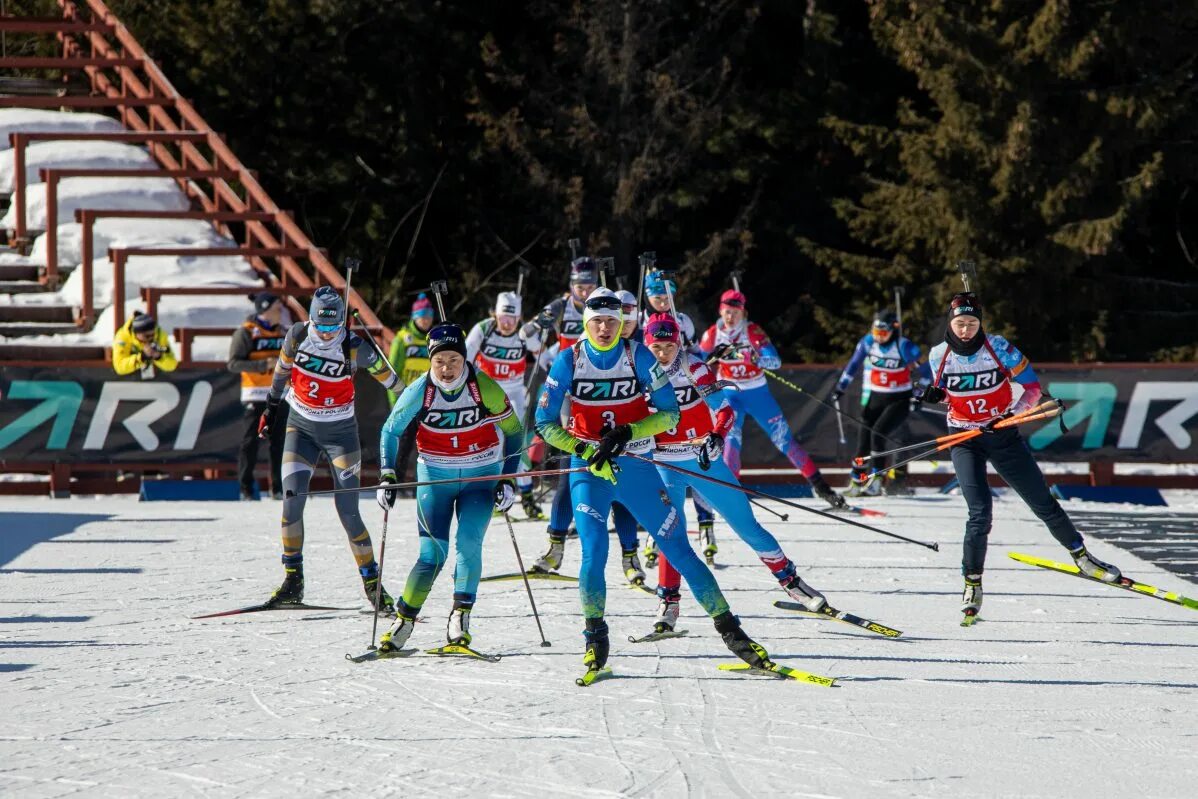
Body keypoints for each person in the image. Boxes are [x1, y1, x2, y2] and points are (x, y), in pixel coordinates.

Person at [535, 287, 774, 678]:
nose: (605, 327)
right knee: (594, 553)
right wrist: (582, 447)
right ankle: (594, 636)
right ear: (586, 323)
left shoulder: (638, 355)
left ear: (622, 322)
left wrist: (627, 433)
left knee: (679, 549)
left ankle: (733, 632)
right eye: (597, 320)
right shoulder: (569, 360)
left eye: (612, 320)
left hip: (637, 467)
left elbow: (671, 415)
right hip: (590, 471)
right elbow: (543, 424)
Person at [923, 291, 1122, 621]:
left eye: (972, 323)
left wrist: (1010, 415)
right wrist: (935, 395)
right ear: (951, 322)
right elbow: (947, 394)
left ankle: (1082, 557)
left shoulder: (999, 348)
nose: (966, 330)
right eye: (960, 323)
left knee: (1042, 501)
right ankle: (972, 582)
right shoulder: (938, 356)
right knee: (979, 513)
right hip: (964, 438)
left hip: (1002, 435)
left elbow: (1032, 389)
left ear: (980, 323)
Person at [642, 313, 828, 634]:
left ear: (679, 343)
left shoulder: (693, 367)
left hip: (702, 459)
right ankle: (668, 602)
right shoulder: (638, 373)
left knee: (746, 525)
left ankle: (792, 583)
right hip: (663, 464)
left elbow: (724, 409)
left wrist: (716, 436)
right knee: (669, 535)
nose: (662, 353)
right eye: (656, 347)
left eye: (669, 346)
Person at [375, 322, 524, 653]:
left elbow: (515, 432)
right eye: (439, 361)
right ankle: (404, 620)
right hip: (435, 477)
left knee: (469, 544)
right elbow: (390, 431)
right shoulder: (419, 391)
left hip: (480, 476)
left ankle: (460, 616)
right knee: (431, 556)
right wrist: (387, 474)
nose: (446, 369)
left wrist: (508, 478)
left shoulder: (484, 387)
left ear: (465, 359)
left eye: (454, 361)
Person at [257, 287, 402, 610]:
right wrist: (270, 407)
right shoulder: (297, 336)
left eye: (332, 328)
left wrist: (417, 406)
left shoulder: (354, 348)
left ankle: (372, 584)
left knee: (348, 511)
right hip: (301, 428)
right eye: (320, 327)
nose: (326, 334)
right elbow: (281, 371)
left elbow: (393, 383)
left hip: (341, 435)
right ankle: (293, 580)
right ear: (310, 319)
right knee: (291, 500)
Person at [698, 289, 846, 510]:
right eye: (727, 312)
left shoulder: (752, 332)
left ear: (743, 314)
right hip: (729, 392)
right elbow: (699, 361)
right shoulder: (712, 335)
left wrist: (754, 358)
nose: (731, 318)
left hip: (756, 393)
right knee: (730, 440)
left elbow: (774, 361)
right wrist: (709, 362)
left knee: (784, 440)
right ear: (720, 311)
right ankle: (731, 495)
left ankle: (823, 489)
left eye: (735, 313)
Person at [522, 257, 599, 574]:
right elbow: (525, 335)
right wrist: (542, 333)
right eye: (580, 285)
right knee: (568, 458)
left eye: (589, 285)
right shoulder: (561, 305)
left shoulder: (602, 305)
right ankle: (556, 543)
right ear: (571, 285)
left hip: (602, 386)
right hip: (569, 387)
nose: (585, 290)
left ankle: (630, 550)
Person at [830, 308, 931, 497]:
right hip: (876, 397)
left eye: (883, 333)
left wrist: (919, 394)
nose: (879, 337)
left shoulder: (904, 347)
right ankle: (857, 481)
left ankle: (876, 481)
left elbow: (927, 372)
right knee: (863, 439)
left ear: (893, 329)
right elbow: (853, 365)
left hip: (899, 399)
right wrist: (840, 388)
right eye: (876, 332)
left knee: (878, 434)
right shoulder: (868, 343)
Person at [465, 291, 545, 520]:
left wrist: (535, 331)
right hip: (486, 393)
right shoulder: (484, 329)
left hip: (514, 394)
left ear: (519, 318)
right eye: (503, 318)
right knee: (488, 446)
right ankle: (488, 495)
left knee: (515, 447)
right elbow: (465, 357)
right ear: (495, 315)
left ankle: (527, 496)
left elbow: (539, 352)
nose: (507, 324)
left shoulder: (522, 332)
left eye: (512, 319)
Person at [228, 292, 287, 500]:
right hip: (255, 394)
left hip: (280, 395)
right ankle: (246, 488)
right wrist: (263, 365)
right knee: (250, 443)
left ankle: (278, 488)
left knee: (279, 442)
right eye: (278, 307)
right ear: (265, 309)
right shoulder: (246, 332)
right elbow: (233, 363)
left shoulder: (283, 332)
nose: (281, 311)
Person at [387, 294, 436, 482]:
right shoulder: (403, 339)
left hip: (430, 400)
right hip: (407, 400)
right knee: (404, 444)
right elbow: (393, 372)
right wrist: (395, 403)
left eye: (429, 317)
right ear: (414, 317)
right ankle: (396, 482)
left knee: (428, 445)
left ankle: (424, 483)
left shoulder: (434, 337)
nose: (426, 321)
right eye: (422, 317)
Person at [112, 311, 177, 378]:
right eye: (147, 336)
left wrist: (158, 357)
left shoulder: (159, 335)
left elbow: (172, 365)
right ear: (136, 333)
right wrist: (142, 357)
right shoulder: (123, 337)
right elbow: (119, 367)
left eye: (153, 335)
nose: (151, 338)